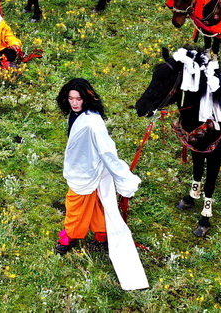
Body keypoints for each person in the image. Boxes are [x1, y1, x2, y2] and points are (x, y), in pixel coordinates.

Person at [55, 79, 148, 291]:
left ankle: (68, 238)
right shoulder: (77, 115)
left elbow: (107, 152)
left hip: (87, 172)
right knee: (97, 203)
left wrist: (124, 178)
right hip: (83, 168)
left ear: (86, 98)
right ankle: (102, 234)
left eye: (78, 99)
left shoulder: (92, 123)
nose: (74, 103)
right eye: (70, 99)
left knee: (75, 206)